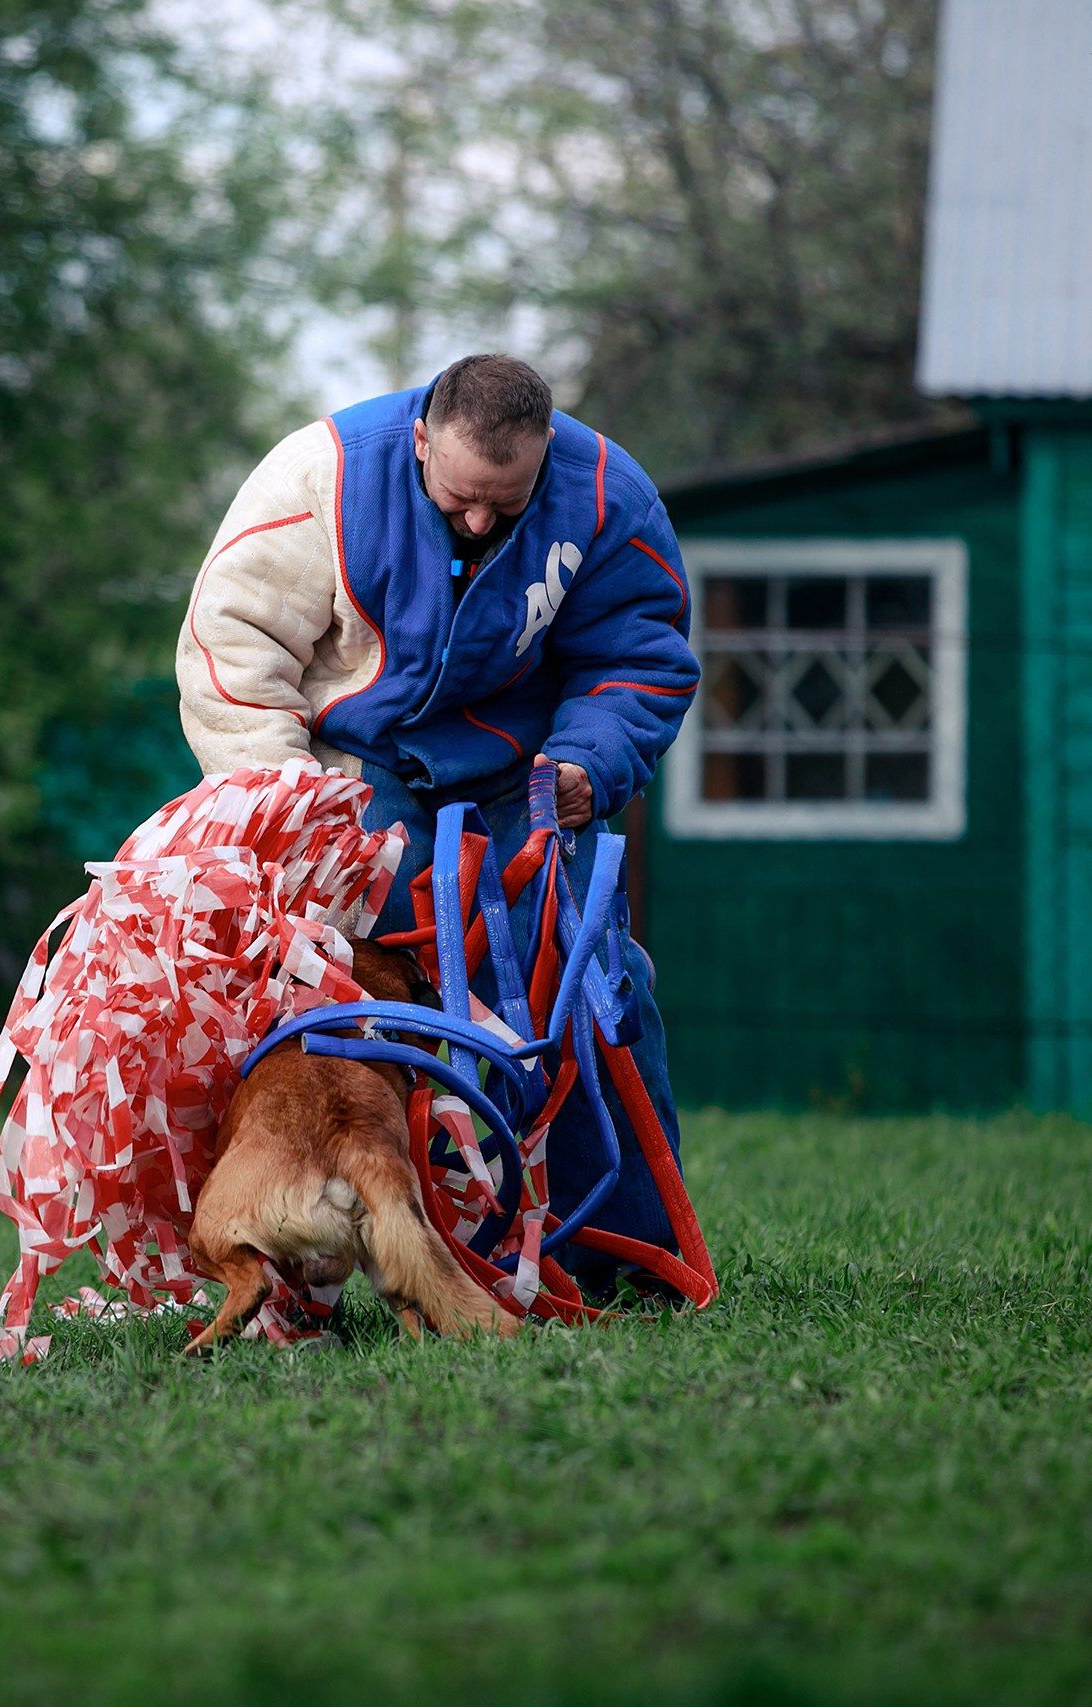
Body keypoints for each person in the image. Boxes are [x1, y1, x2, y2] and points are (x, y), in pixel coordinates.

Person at [175, 353, 699, 1288]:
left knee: (591, 977)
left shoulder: (609, 494)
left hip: (527, 768)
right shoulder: (320, 477)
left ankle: (622, 1258)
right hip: (352, 768)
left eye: (509, 500)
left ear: (547, 454)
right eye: (461, 498)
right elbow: (232, 650)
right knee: (342, 994)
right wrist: (289, 804)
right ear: (420, 438)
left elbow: (641, 654)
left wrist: (592, 757)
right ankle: (319, 1258)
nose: (481, 521)